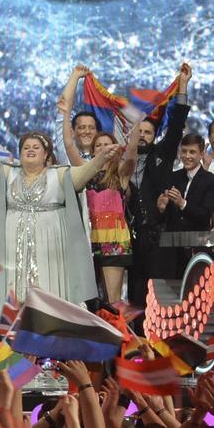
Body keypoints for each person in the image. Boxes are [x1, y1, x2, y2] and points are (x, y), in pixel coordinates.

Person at [0, 130, 113, 314]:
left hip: (52, 255)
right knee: (14, 294)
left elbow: (83, 174)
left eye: (36, 147)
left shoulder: (60, 175)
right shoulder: (8, 173)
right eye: (26, 148)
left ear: (46, 154)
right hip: (12, 253)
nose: (30, 150)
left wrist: (100, 158)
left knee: (49, 296)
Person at [128, 63, 193, 310]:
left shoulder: (162, 154)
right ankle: (136, 343)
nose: (143, 135)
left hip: (160, 236)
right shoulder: (122, 161)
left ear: (154, 135)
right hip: (131, 240)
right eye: (139, 131)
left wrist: (183, 86)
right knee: (135, 295)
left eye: (147, 132)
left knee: (160, 296)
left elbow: (177, 123)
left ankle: (161, 343)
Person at [65, 128, 138, 305]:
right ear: (93, 150)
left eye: (107, 144)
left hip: (113, 242)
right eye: (98, 145)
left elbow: (132, 153)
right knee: (86, 300)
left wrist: (136, 122)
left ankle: (117, 332)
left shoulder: (121, 174)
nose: (103, 148)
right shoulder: (84, 170)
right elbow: (68, 144)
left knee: (113, 301)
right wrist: (66, 111)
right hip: (87, 240)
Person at [146, 132, 214, 279]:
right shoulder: (173, 177)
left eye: (192, 152)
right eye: (184, 151)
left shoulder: (211, 181)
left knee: (195, 294)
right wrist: (161, 208)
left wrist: (182, 203)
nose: (187, 156)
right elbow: (162, 217)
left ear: (201, 154)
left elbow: (204, 215)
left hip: (197, 249)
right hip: (171, 250)